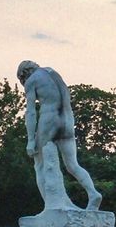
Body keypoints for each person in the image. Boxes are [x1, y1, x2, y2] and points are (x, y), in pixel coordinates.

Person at [18, 60, 103, 211]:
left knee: (39, 163)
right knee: (72, 165)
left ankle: (49, 208)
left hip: (49, 120)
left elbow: (31, 112)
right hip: (67, 121)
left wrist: (31, 140)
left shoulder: (32, 80)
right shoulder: (53, 72)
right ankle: (93, 193)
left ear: (24, 75)